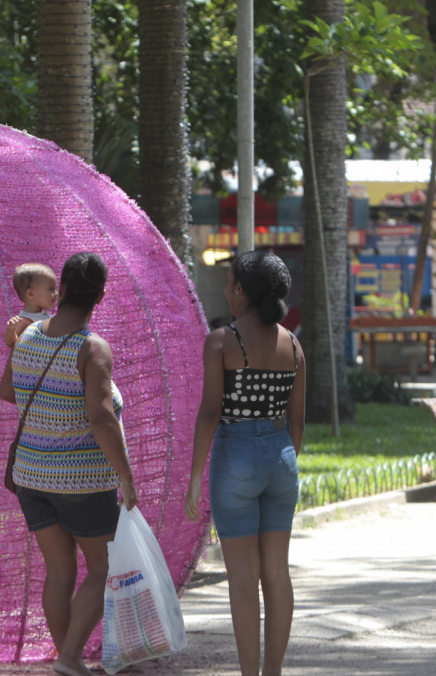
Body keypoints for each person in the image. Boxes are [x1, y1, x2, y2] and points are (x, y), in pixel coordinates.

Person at [0, 252, 136, 676]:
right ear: (101, 294)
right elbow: (100, 417)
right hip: (81, 480)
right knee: (105, 565)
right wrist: (127, 480)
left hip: (31, 477)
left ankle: (68, 661)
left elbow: (8, 391)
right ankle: (70, 657)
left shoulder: (30, 335)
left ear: (61, 289)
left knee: (59, 573)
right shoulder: (91, 347)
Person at [184, 250, 305, 676]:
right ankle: (273, 672)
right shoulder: (292, 344)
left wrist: (196, 477)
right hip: (281, 457)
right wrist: (282, 458)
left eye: (229, 282)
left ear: (241, 291)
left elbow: (210, 413)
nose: (224, 289)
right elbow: (298, 421)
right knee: (277, 572)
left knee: (242, 577)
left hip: (234, 456)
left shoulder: (222, 341)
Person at [4, 262, 58, 347]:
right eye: (51, 289)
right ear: (31, 294)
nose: (56, 293)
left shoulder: (50, 317)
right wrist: (11, 330)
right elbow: (11, 343)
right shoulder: (23, 321)